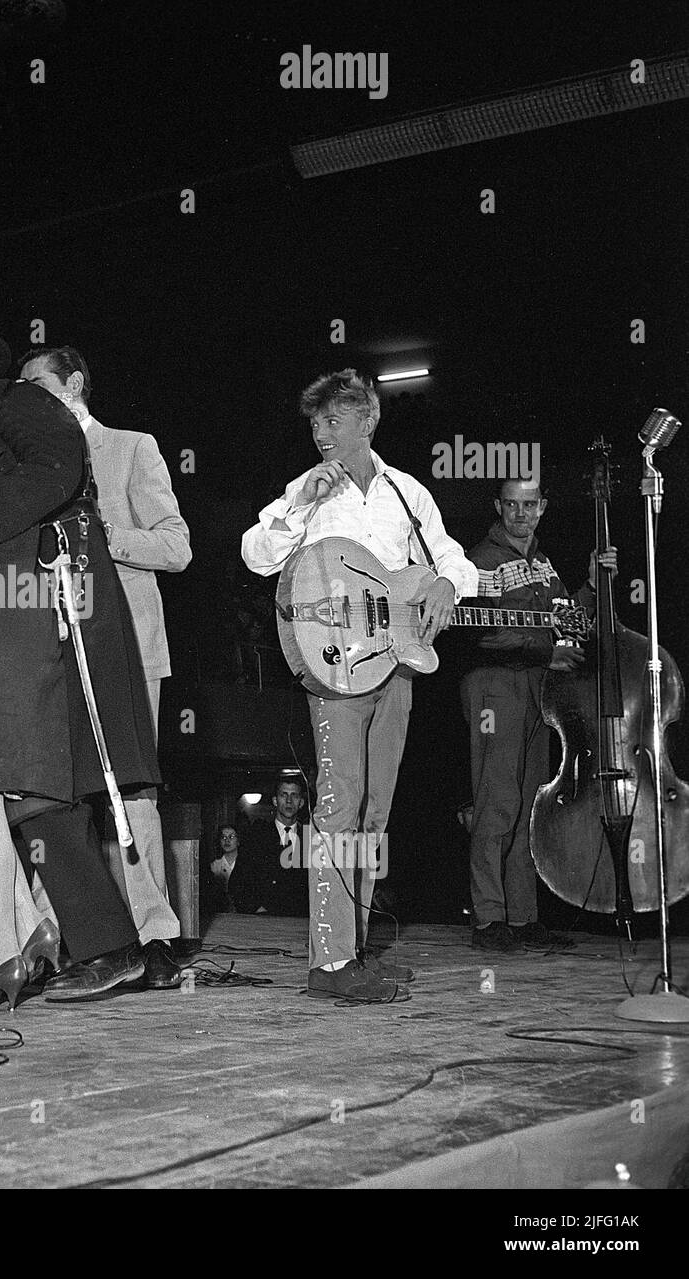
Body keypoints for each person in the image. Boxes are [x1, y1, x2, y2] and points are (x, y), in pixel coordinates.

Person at [0, 317, 147, 1005]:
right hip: (5, 609)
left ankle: (78, 944)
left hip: (29, 609)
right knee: (20, 785)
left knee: (24, 778)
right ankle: (36, 936)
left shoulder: (12, 400)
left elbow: (59, 466)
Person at [242, 368, 477, 1003]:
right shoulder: (306, 491)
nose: (321, 432)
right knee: (338, 805)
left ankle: (356, 951)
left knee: (374, 813)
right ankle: (329, 963)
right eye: (315, 422)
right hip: (334, 670)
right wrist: (297, 503)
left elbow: (450, 557)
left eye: (333, 420)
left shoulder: (406, 493)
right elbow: (255, 553)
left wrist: (446, 584)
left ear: (367, 422)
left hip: (395, 666)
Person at [18, 345, 189, 988]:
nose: (27, 396)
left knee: (134, 790)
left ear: (76, 384)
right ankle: (54, 937)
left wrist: (98, 537)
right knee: (53, 796)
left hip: (130, 645)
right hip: (56, 648)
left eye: (38, 383)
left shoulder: (131, 447)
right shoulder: (29, 462)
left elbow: (177, 546)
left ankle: (155, 934)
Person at [461, 477, 613, 952]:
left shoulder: (544, 566)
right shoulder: (481, 560)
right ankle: (489, 919)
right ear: (499, 507)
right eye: (512, 504)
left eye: (529, 505)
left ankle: (523, 919)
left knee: (530, 805)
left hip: (536, 690)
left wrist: (592, 583)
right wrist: (541, 650)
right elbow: (476, 632)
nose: (520, 514)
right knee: (497, 800)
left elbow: (569, 623)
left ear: (542, 507)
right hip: (494, 685)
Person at [242, 775, 311, 916]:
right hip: (266, 920)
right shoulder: (256, 836)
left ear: (301, 802)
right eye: (283, 795)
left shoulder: (310, 838)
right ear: (275, 800)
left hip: (301, 919)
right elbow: (240, 880)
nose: (289, 801)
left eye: (295, 796)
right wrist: (256, 908)